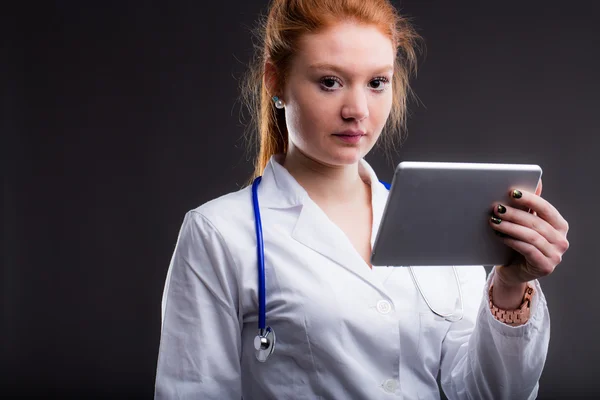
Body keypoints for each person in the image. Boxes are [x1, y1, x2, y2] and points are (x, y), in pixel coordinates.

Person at [153, 0, 570, 398]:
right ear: (275, 81)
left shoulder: (437, 219)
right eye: (330, 82)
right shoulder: (219, 234)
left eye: (376, 83)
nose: (357, 110)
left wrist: (511, 286)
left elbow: (489, 393)